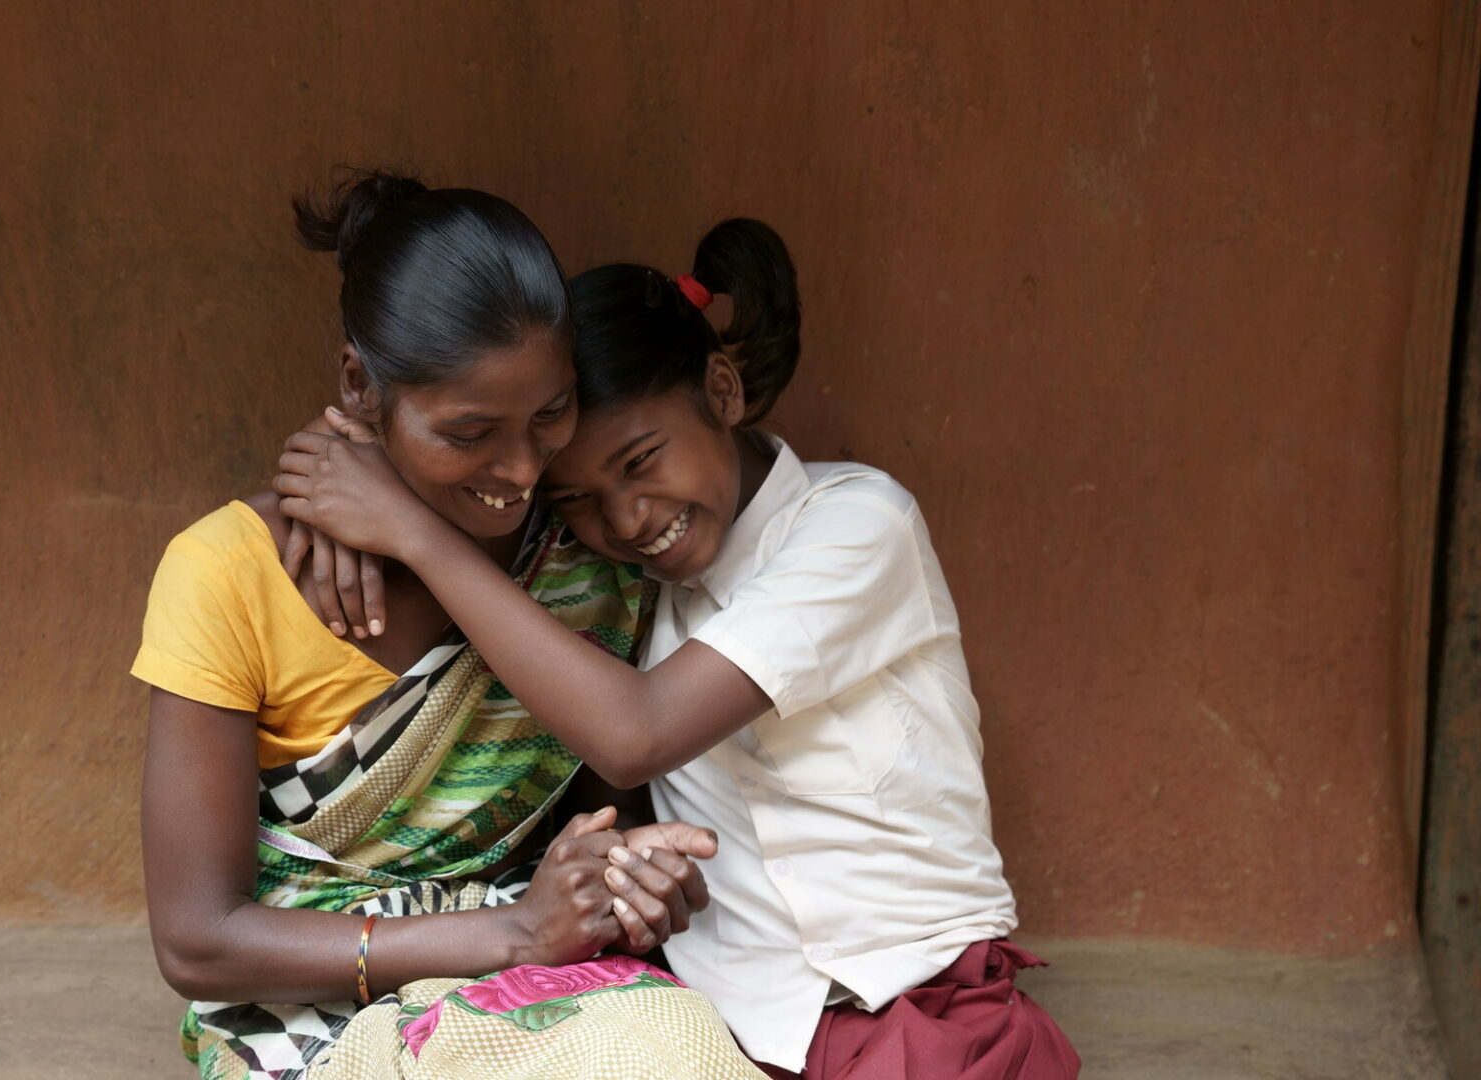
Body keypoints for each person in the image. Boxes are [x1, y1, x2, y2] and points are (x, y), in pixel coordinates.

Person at [275, 218, 1083, 1079]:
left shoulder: (855, 525)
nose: (626, 520)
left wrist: (405, 533)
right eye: (579, 497)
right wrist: (346, 471)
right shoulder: (618, 582)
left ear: (724, 392)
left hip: (917, 999)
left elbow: (639, 732)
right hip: (726, 1026)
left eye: (642, 460)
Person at [133, 169, 763, 1080]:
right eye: (469, 434)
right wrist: (507, 934)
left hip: (545, 971)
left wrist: (626, 875)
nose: (518, 470)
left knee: (687, 1060)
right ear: (357, 385)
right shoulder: (230, 574)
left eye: (551, 413)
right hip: (307, 1010)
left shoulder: (582, 552)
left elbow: (595, 820)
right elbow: (197, 942)